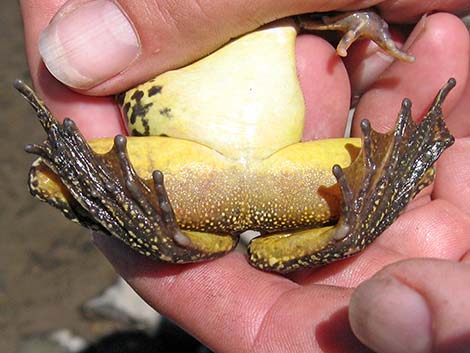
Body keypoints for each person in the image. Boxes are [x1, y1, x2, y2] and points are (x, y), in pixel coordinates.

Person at [20, 1, 470, 352]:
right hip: (206, 170)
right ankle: (341, 233)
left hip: (217, 177)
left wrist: (361, 20)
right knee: (52, 174)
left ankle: (174, 239)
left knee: (406, 166)